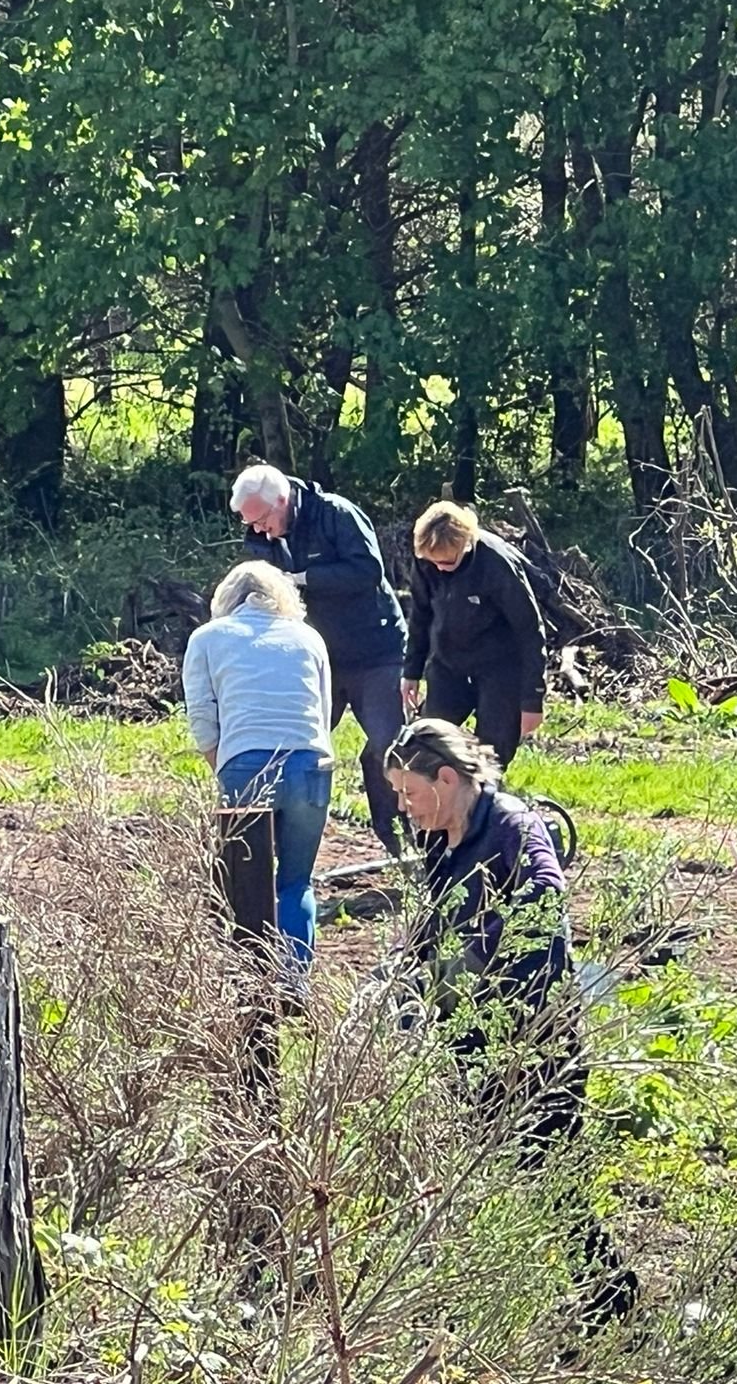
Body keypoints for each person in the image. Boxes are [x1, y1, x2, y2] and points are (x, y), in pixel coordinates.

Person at [384, 718, 637, 1330]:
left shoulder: (515, 829)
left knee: (544, 1171)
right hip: (469, 1038)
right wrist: (403, 988)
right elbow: (426, 936)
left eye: (408, 792)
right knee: (491, 1171)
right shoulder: (444, 842)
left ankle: (608, 1293)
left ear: (445, 778)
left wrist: (469, 969)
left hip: (532, 1035)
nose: (403, 806)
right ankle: (494, 1301)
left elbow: (544, 910)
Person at [232, 464, 411, 854]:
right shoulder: (262, 529)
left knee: (388, 746)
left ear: (281, 500)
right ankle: (281, 844)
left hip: (374, 652)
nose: (258, 531)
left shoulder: (335, 514)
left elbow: (367, 570)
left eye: (261, 521)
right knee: (294, 743)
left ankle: (403, 840)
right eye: (250, 525)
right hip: (316, 656)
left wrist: (302, 579)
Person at [183, 561, 335, 976]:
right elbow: (323, 710)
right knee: (296, 881)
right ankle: (294, 982)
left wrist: (224, 766)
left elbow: (201, 715)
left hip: (244, 763)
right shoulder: (309, 637)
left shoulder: (206, 639)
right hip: (311, 764)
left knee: (245, 878)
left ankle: (249, 980)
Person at [401, 501, 547, 767]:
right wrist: (411, 672)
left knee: (491, 753)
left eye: (447, 561)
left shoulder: (496, 563)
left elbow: (529, 631)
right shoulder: (427, 560)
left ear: (466, 543)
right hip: (447, 662)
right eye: (432, 562)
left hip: (500, 669)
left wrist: (532, 700)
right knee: (427, 742)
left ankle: (482, 802)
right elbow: (420, 615)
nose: (440, 568)